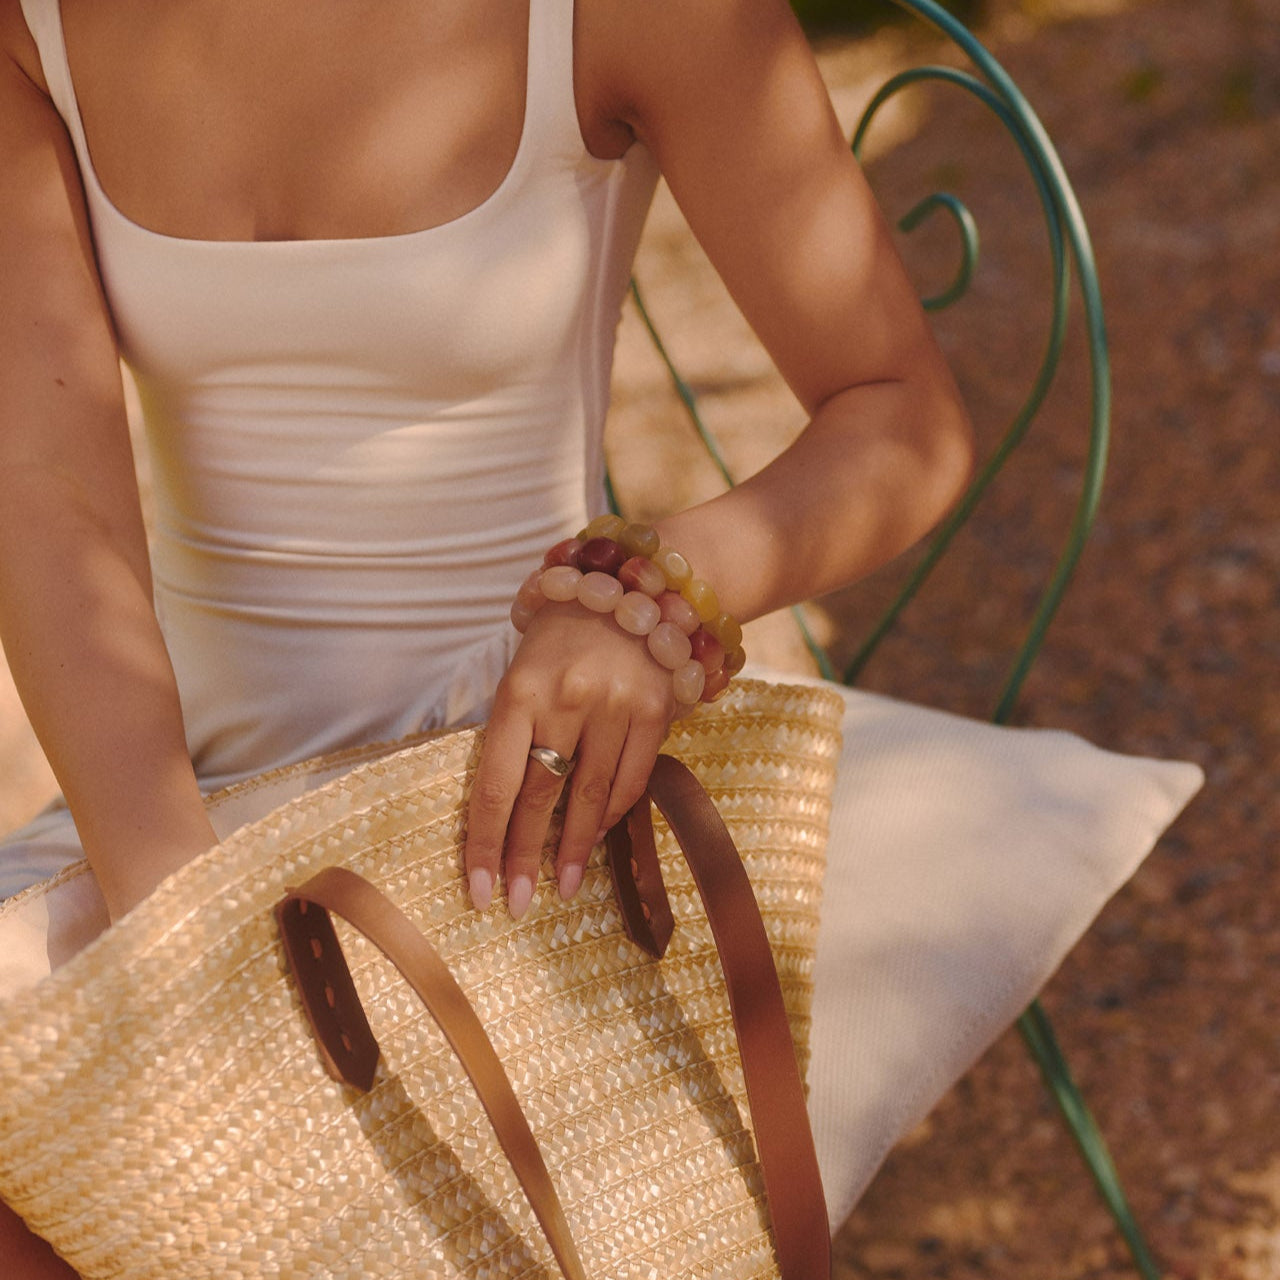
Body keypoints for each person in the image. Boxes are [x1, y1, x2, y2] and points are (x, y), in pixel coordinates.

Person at [0, 0, 973, 1272]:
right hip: (175, 802)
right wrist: (189, 917)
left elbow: (900, 416)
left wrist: (658, 594)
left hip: (521, 809)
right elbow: (45, 484)